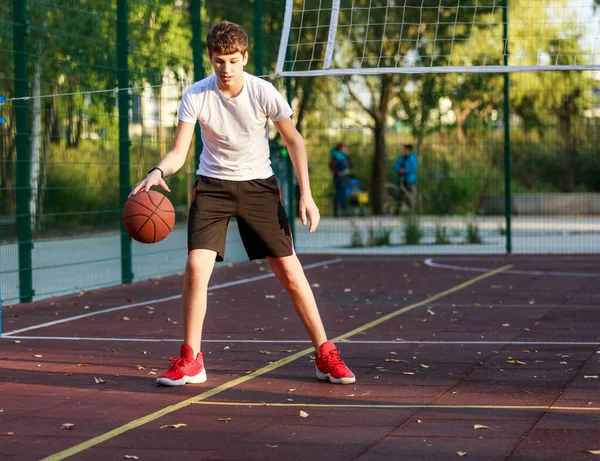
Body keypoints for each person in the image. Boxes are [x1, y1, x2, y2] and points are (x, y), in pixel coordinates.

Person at [130, 21, 355, 386]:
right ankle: (192, 360)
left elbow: (295, 141)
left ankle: (325, 355)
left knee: (291, 273)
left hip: (257, 187)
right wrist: (159, 171)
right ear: (211, 59)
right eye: (219, 60)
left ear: (244, 58)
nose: (227, 68)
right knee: (195, 268)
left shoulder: (263, 92)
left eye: (234, 60)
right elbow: (178, 152)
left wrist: (307, 196)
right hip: (213, 187)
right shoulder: (197, 95)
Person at [392, 144, 418, 212]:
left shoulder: (412, 158)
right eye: (404, 150)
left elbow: (414, 167)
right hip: (400, 179)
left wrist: (405, 170)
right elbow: (395, 166)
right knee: (398, 195)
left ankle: (411, 210)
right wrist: (399, 170)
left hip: (409, 180)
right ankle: (397, 210)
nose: (404, 151)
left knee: (410, 195)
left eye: (405, 150)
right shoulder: (400, 158)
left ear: (409, 150)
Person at [329, 142, 350, 217]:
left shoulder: (344, 156)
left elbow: (350, 165)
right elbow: (331, 166)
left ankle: (344, 212)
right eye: (344, 148)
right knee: (338, 194)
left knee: (344, 194)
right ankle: (336, 212)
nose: (345, 149)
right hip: (338, 178)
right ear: (340, 148)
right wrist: (338, 173)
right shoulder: (336, 156)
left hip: (345, 177)